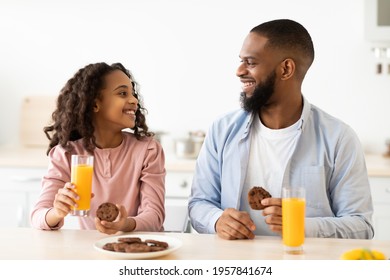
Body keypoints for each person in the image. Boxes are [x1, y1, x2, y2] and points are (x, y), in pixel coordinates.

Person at [188, 19, 374, 240]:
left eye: (251, 62)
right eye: (241, 61)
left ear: (286, 69)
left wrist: (301, 225)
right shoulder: (222, 130)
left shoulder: (339, 138)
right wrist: (217, 220)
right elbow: (199, 204)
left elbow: (361, 226)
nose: (239, 71)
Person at [31, 62, 166, 234]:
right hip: (91, 252)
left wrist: (125, 225)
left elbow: (154, 217)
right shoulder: (66, 154)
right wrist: (57, 212)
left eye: (133, 94)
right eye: (123, 93)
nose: (134, 100)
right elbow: (37, 215)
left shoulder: (148, 150)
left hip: (139, 250)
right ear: (95, 104)